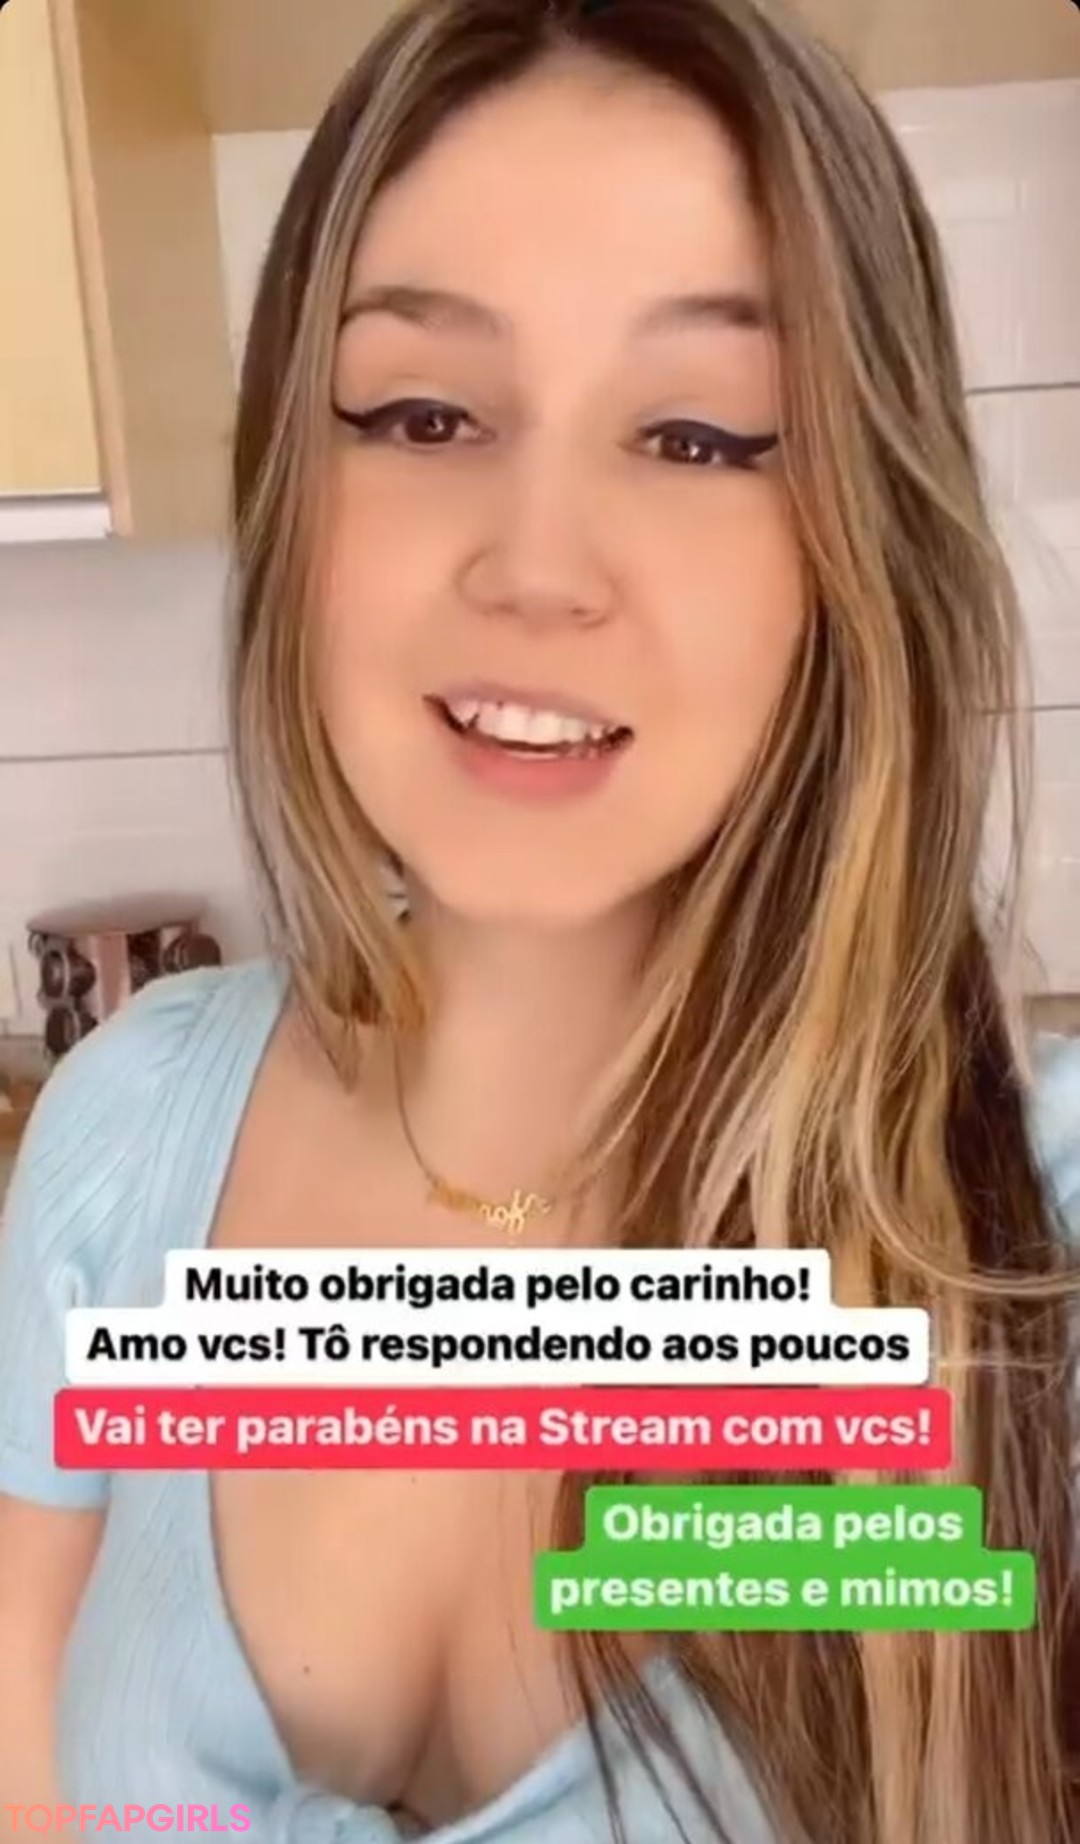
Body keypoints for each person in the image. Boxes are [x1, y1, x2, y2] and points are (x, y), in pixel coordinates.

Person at [0, 0, 1077, 1839]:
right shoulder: (120, 1141)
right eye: (424, 414)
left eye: (702, 436)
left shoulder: (1021, 1250)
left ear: (857, 551)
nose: (537, 565)